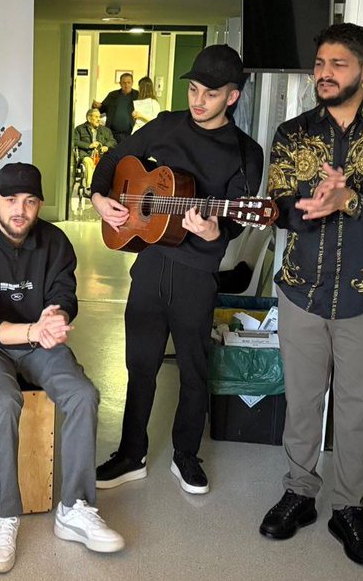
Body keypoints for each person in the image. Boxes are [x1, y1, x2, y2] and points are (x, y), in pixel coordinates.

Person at [258, 23, 363, 568]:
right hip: (302, 292)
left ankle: (349, 507)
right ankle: (299, 494)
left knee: (356, 410)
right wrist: (306, 209)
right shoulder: (292, 133)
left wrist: (349, 199)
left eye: (338, 64)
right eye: (320, 64)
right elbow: (277, 205)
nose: (324, 74)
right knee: (302, 403)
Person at [91, 45, 263, 496]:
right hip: (150, 264)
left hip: (195, 275)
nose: (198, 100)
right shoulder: (166, 124)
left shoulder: (247, 153)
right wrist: (99, 198)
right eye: (193, 89)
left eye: (210, 93)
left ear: (234, 96)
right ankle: (131, 453)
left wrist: (211, 232)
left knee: (193, 370)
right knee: (139, 364)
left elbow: (232, 223)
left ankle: (186, 454)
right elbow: (113, 162)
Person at [0, 163, 124, 573]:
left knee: (83, 394)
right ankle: (4, 516)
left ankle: (75, 508)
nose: (20, 210)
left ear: (40, 204)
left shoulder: (57, 242)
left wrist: (57, 316)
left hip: (38, 342)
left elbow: (64, 293)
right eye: (10, 200)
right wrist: (30, 328)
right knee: (5, 402)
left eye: (29, 201)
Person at [72, 108, 116, 193]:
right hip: (86, 156)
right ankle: (91, 188)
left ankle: (105, 190)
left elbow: (113, 141)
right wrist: (89, 145)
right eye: (96, 117)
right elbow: (74, 141)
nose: (99, 119)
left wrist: (106, 146)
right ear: (89, 118)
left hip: (101, 157)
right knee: (88, 161)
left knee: (106, 164)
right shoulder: (79, 129)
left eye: (99, 117)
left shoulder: (105, 130)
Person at [94, 73, 138, 142]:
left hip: (131, 133)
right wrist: (98, 106)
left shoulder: (138, 96)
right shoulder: (112, 95)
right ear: (120, 83)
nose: (126, 85)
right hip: (113, 133)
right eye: (124, 83)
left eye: (129, 82)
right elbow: (102, 109)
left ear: (132, 83)